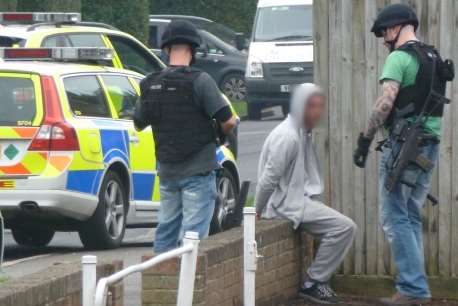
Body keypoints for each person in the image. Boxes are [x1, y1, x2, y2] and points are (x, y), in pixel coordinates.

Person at [353, 4, 454, 306]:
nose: (384, 40)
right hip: (429, 144)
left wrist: (364, 140)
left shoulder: (399, 57)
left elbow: (385, 104)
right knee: (409, 213)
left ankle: (412, 288)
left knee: (394, 215)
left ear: (396, 27)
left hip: (405, 145)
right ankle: (415, 287)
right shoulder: (433, 57)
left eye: (384, 33)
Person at [134, 20, 238, 253]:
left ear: (167, 49)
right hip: (198, 171)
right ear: (193, 49)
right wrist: (221, 131)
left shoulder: (150, 84)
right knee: (192, 237)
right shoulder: (200, 81)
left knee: (166, 230)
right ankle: (188, 285)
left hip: (168, 171)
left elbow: (139, 123)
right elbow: (229, 120)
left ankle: (164, 281)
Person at [255, 83, 357, 305]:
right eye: (312, 106)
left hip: (296, 200)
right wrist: (257, 210)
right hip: (285, 205)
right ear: (300, 106)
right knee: (344, 227)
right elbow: (269, 179)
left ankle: (315, 280)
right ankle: (312, 283)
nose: (317, 112)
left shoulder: (299, 131)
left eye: (320, 106)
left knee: (341, 226)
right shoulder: (288, 136)